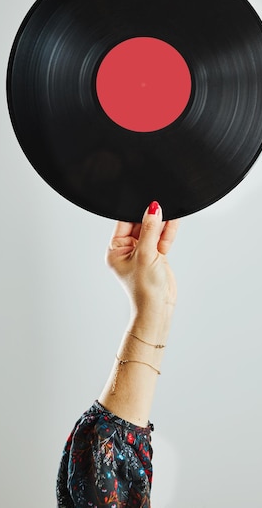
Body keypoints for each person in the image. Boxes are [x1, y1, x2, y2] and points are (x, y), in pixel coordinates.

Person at [57, 201, 179, 507]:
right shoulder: (103, 449)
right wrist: (156, 306)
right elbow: (106, 453)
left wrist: (155, 307)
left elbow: (106, 453)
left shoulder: (103, 448)